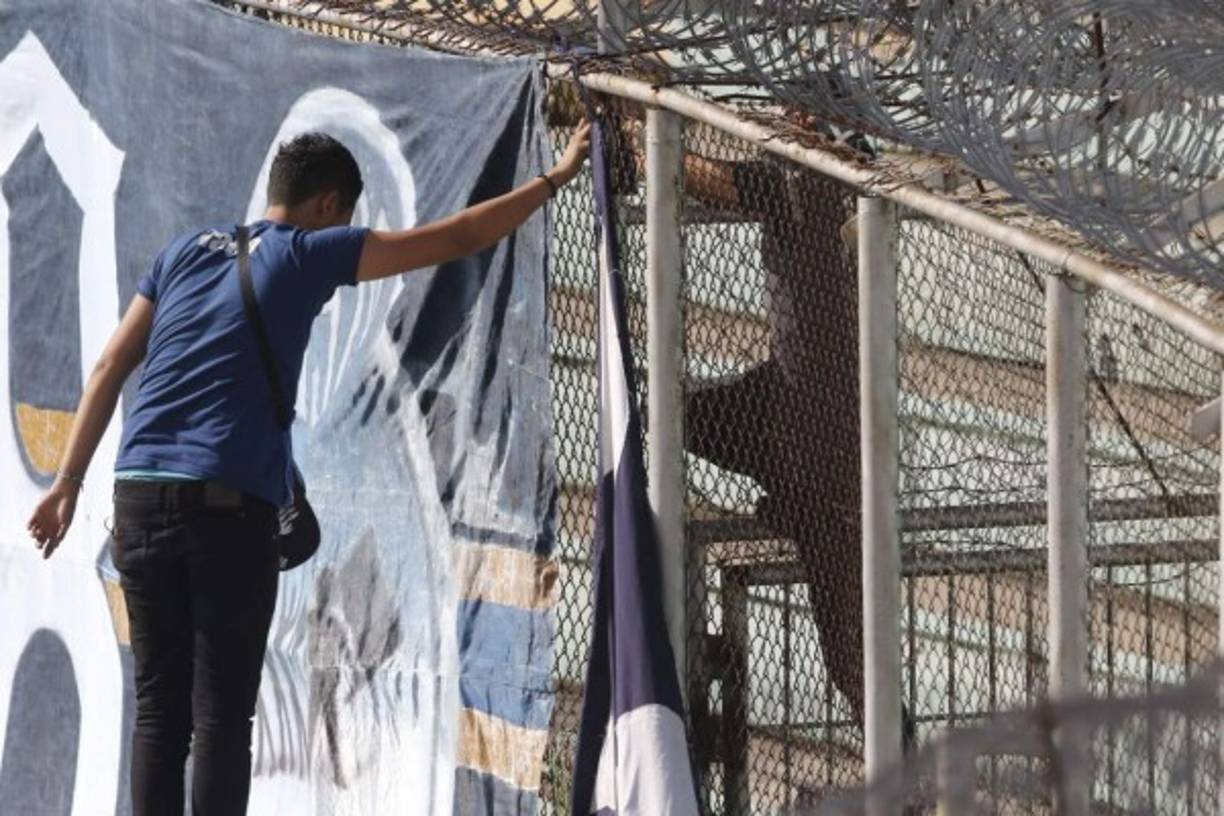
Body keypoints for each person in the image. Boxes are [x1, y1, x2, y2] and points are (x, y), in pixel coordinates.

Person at [26, 124, 591, 815]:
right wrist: (553, 178)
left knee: (158, 713)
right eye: (346, 217)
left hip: (137, 496)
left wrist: (66, 483)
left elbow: (111, 366)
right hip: (227, 513)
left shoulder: (181, 254)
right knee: (221, 719)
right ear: (328, 206)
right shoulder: (304, 255)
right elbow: (454, 240)